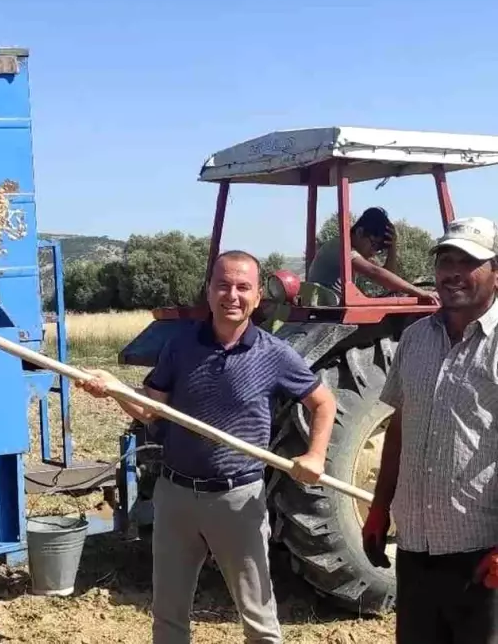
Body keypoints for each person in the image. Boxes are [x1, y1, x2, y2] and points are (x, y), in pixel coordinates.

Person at [77, 250, 338, 644]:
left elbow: (323, 402)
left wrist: (315, 454)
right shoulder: (181, 347)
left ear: (256, 297)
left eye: (242, 287)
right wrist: (111, 388)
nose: (231, 295)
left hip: (237, 501)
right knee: (168, 617)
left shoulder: (274, 354)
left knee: (259, 620)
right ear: (209, 289)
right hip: (175, 497)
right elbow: (151, 410)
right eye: (223, 284)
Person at [362, 217, 498, 643]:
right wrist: (380, 507)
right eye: (445, 260)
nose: (452, 272)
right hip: (416, 548)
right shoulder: (416, 338)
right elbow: (399, 429)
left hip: (482, 555)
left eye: (468, 261)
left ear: (496, 272)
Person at [306, 206, 439, 304]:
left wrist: (392, 247)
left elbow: (387, 278)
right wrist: (420, 292)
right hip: (326, 312)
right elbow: (375, 272)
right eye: (374, 245)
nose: (373, 253)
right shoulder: (339, 247)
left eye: (379, 249)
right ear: (359, 232)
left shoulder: (355, 253)